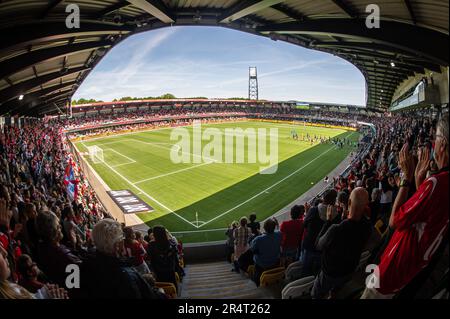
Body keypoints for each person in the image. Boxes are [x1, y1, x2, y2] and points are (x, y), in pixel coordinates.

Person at [362, 115, 449, 299]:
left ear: (444, 144)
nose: (433, 143)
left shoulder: (436, 183)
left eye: (436, 137)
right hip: (415, 266)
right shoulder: (439, 183)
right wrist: (420, 183)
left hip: (395, 268)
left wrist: (406, 178)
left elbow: (394, 221)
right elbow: (428, 215)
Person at [312, 187, 372, 299]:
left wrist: (328, 221)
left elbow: (318, 245)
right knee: (336, 289)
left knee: (315, 294)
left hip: (330, 273)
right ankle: (333, 294)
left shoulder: (336, 229)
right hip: (349, 270)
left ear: (349, 202)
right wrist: (344, 219)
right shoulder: (368, 227)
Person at [79, 219, 163, 299]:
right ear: (117, 245)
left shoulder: (84, 264)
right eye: (122, 238)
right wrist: (161, 292)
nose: (123, 240)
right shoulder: (126, 276)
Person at [301, 189, 338, 277]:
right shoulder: (337, 215)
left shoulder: (314, 210)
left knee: (306, 269)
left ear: (323, 198)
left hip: (310, 245)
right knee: (317, 270)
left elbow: (304, 225)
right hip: (324, 247)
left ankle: (304, 283)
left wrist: (307, 212)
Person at [250, 218, 282, 287]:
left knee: (254, 257)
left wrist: (259, 236)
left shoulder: (258, 239)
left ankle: (257, 282)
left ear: (264, 228)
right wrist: (277, 224)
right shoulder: (279, 234)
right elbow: (277, 232)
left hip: (261, 265)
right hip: (275, 262)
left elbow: (252, 249)